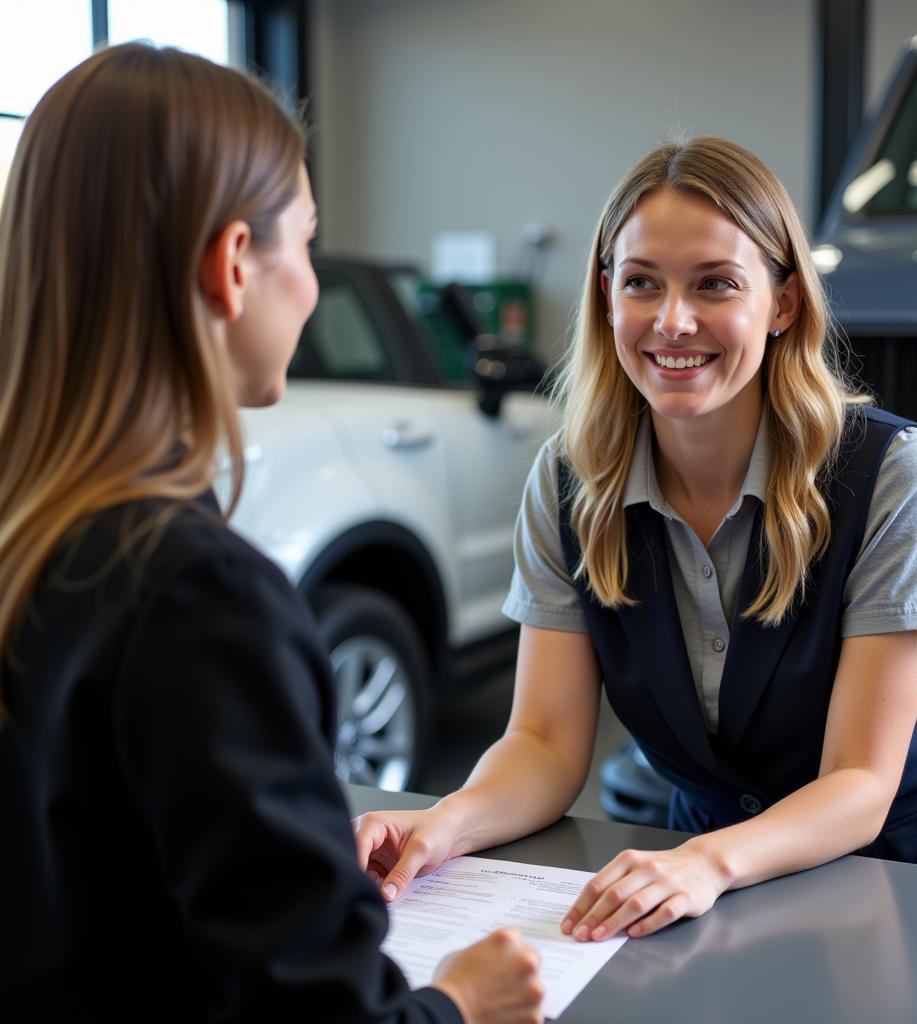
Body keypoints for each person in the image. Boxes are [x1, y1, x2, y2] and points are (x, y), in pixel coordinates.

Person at [354, 136, 917, 944]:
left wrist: (708, 863)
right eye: (642, 283)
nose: (673, 321)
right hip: (712, 888)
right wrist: (444, 826)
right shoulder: (569, 483)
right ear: (607, 295)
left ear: (781, 303)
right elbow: (543, 741)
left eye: (715, 284)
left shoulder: (888, 470)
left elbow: (859, 780)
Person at [0, 44, 543, 1024]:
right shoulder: (197, 596)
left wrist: (276, 840)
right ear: (234, 265)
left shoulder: (30, 535)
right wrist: (462, 1003)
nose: (308, 282)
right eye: (305, 241)